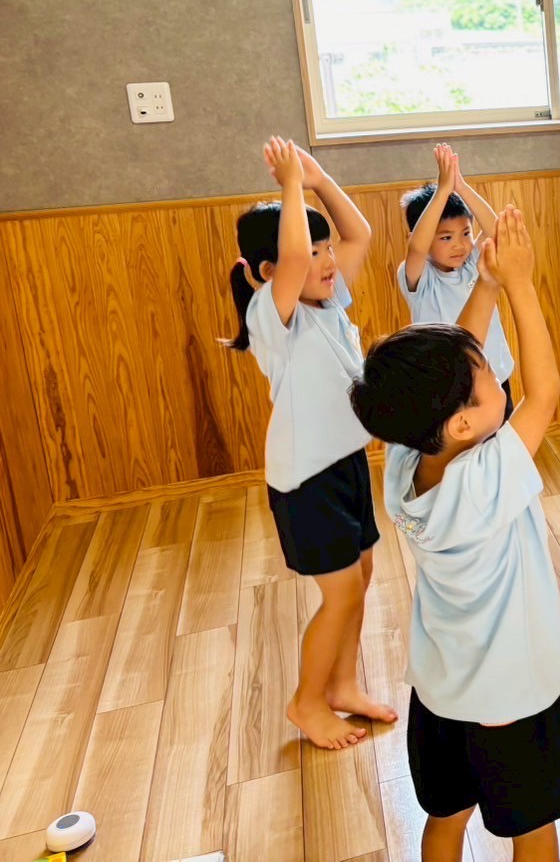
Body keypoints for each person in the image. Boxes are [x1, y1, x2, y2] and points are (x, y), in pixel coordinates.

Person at [350, 210, 560, 862]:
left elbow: (455, 360)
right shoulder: (484, 481)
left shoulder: (404, 460)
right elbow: (545, 392)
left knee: (446, 817)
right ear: (464, 424)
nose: (495, 375)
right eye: (487, 377)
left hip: (441, 694)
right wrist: (520, 283)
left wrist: (486, 285)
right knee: (533, 830)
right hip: (512, 699)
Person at [224, 136, 395, 750]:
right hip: (306, 481)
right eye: (312, 252)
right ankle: (306, 702)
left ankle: (342, 684)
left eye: (325, 249)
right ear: (266, 273)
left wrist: (319, 181)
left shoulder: (327, 301)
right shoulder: (274, 316)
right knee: (340, 592)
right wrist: (291, 185)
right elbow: (294, 257)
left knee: (362, 575)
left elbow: (360, 235)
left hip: (345, 463)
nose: (325, 260)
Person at [398, 142, 516, 412]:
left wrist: (459, 186)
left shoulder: (472, 261)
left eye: (465, 233)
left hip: (495, 378)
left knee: (503, 438)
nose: (459, 245)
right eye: (446, 237)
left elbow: (496, 230)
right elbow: (417, 248)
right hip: (448, 387)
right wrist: (442, 190)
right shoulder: (419, 277)